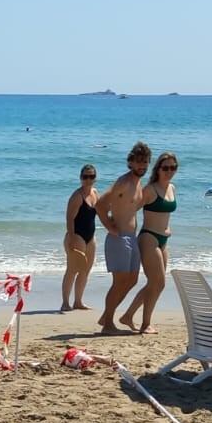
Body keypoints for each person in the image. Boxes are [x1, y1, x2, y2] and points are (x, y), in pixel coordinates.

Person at [96, 142, 152, 334]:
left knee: (132, 280)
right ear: (130, 162)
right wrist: (110, 227)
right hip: (119, 238)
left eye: (145, 162)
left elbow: (130, 208)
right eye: (138, 162)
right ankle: (108, 324)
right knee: (119, 282)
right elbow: (100, 204)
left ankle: (107, 315)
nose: (142, 166)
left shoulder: (138, 184)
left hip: (132, 237)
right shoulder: (124, 182)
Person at [120, 152, 178, 334]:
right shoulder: (151, 190)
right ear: (158, 169)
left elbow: (165, 215)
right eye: (166, 168)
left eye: (173, 167)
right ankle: (144, 323)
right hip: (149, 238)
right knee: (157, 283)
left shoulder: (172, 188)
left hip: (163, 241)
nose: (169, 171)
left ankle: (129, 316)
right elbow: (131, 208)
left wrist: (167, 229)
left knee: (155, 284)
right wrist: (120, 228)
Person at [60, 164, 100, 311]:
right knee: (72, 269)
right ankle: (65, 302)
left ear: (95, 178)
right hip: (76, 236)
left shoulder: (95, 193)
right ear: (80, 178)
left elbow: (101, 212)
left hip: (91, 237)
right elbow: (69, 219)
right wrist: (71, 238)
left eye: (91, 176)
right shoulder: (77, 196)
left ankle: (78, 301)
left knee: (86, 270)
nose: (88, 179)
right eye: (85, 177)